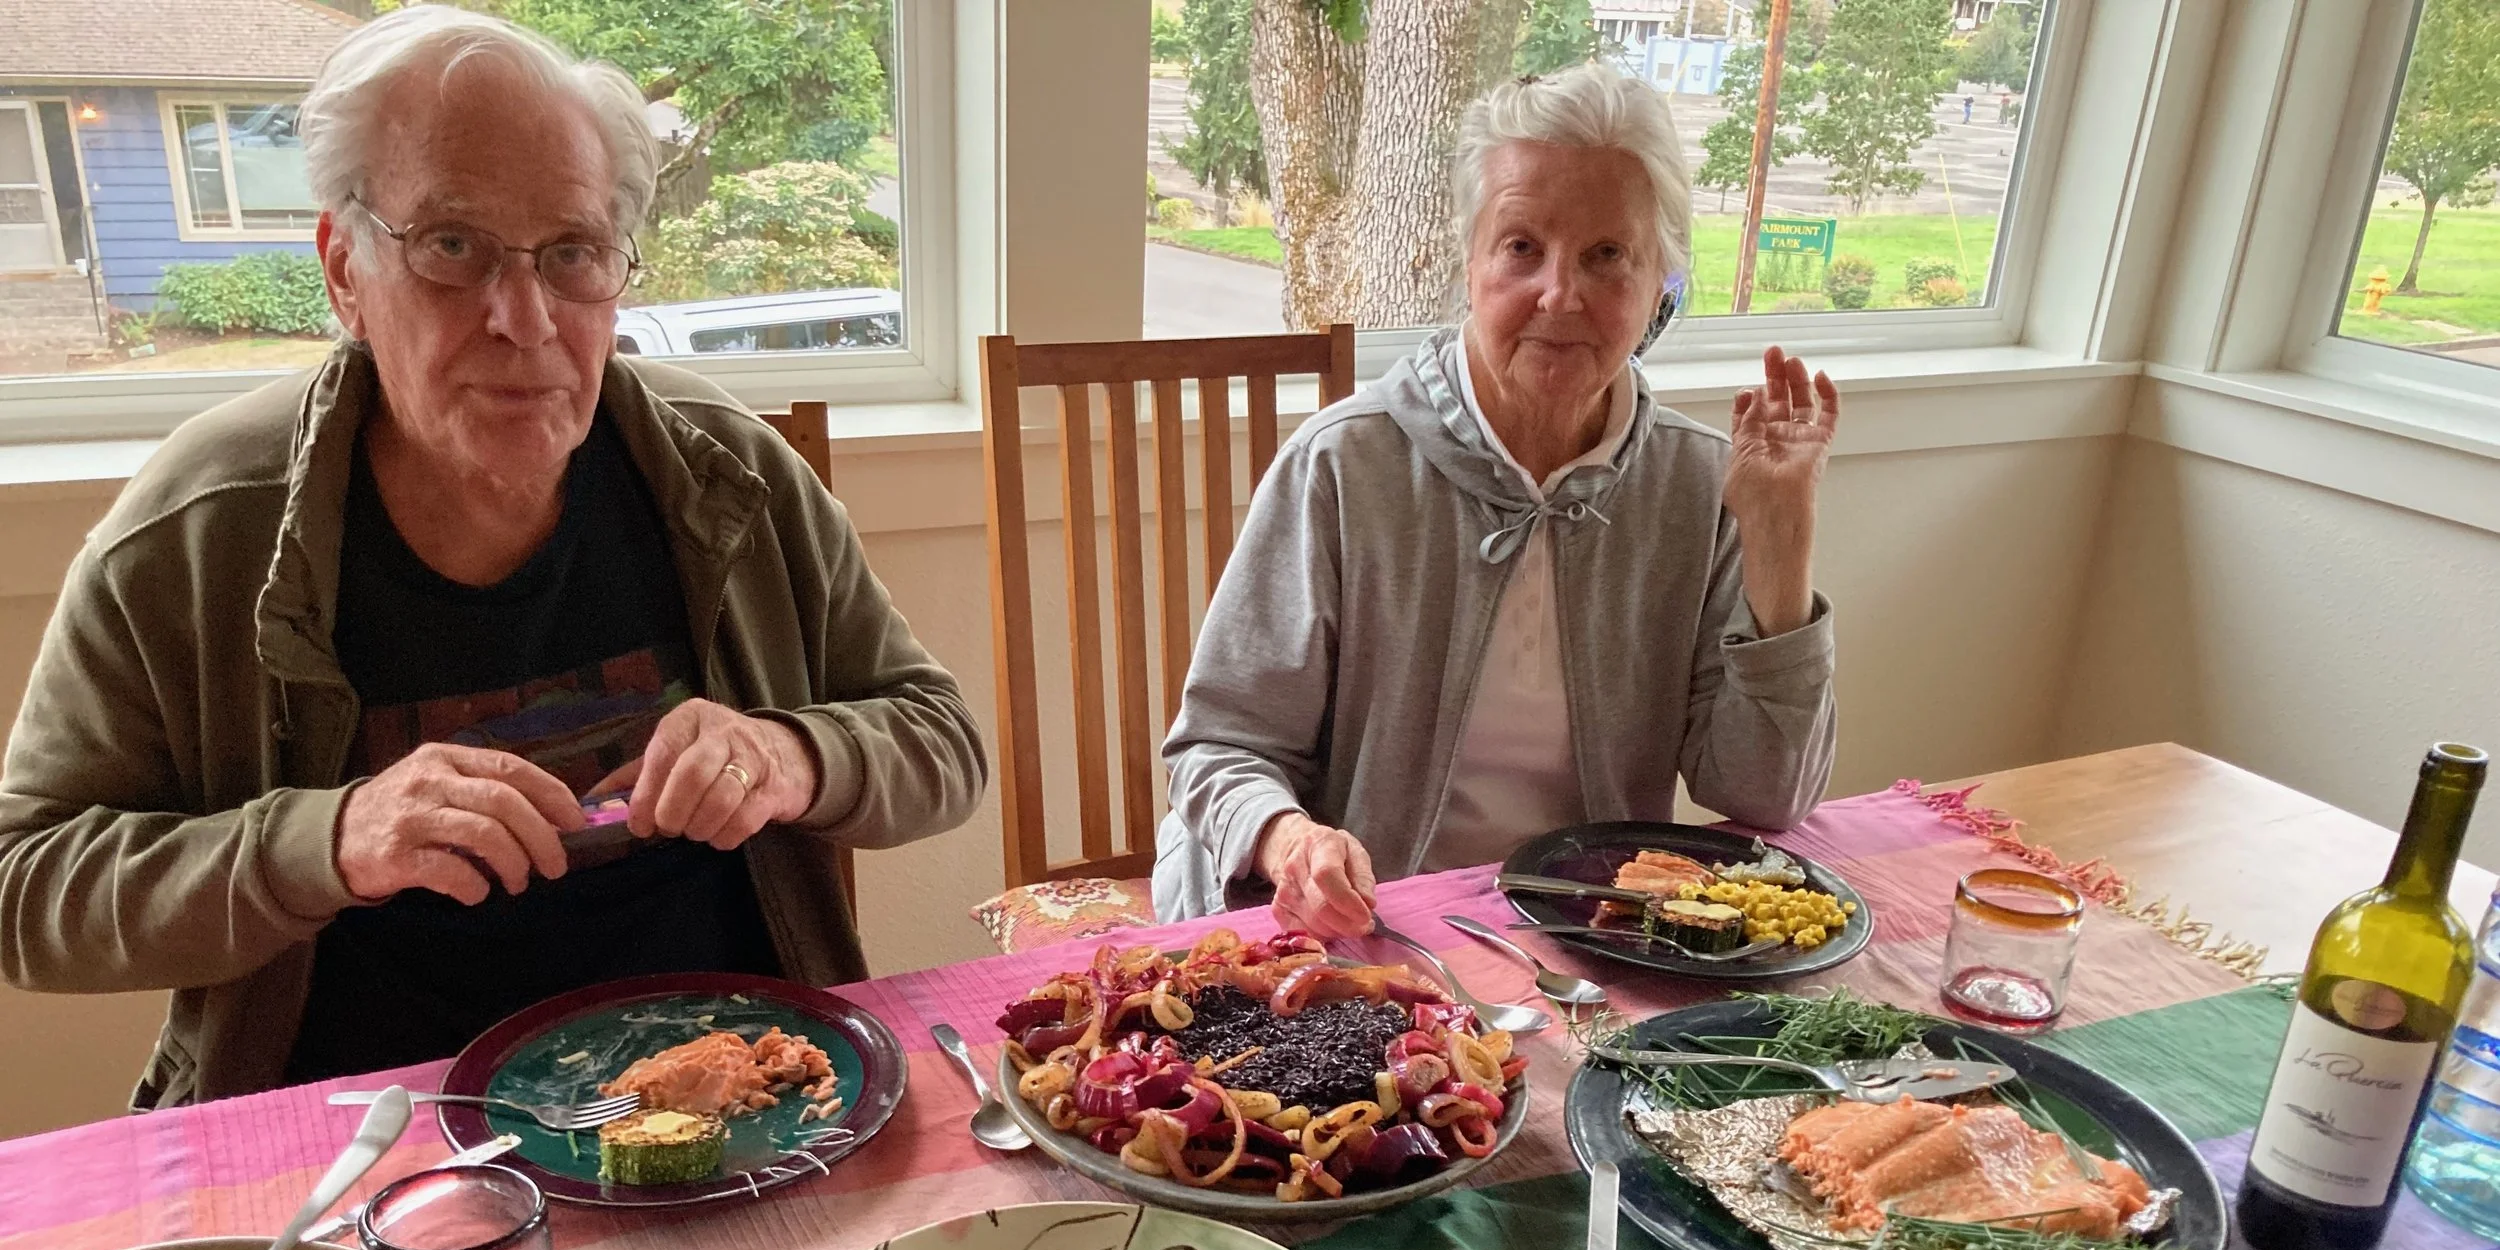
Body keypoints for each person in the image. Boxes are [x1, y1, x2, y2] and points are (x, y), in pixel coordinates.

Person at [0, 6, 985, 1105]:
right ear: (343, 269)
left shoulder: (727, 476)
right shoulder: (196, 531)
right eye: (452, 247)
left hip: (737, 1098)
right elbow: (27, 888)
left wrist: (791, 755)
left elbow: (940, 744)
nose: (523, 317)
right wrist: (327, 841)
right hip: (368, 1128)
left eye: (572, 254)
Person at [1155, 62, 1840, 938]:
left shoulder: (1701, 484)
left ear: (1660, 277)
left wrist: (1781, 553)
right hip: (1367, 926)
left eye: (1607, 255)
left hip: (1596, 934)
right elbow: (1220, 747)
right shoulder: (1345, 465)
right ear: (1469, 262)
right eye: (1522, 247)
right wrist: (1292, 840)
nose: (1560, 293)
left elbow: (1764, 798)